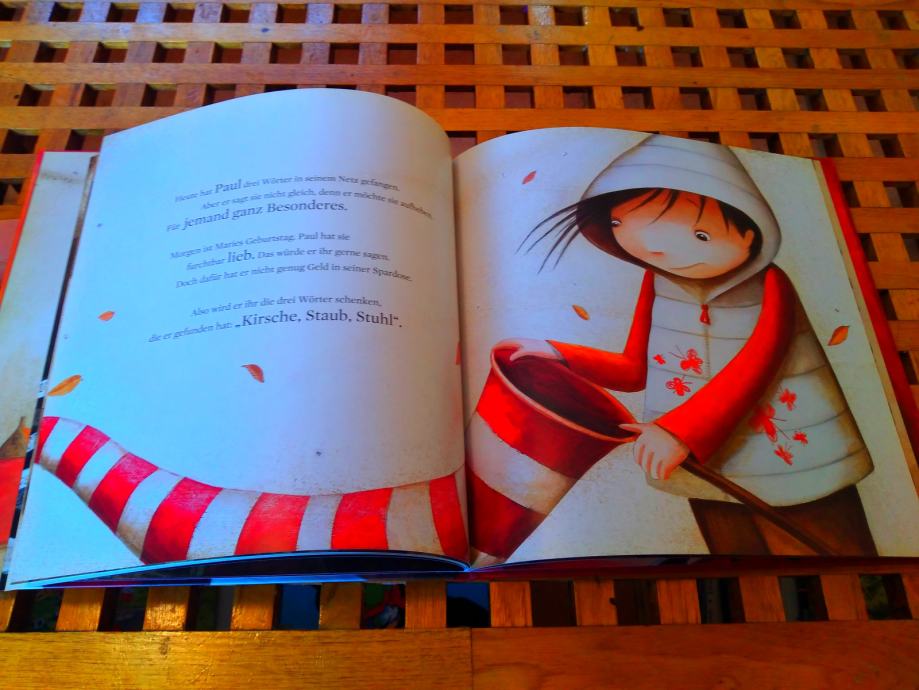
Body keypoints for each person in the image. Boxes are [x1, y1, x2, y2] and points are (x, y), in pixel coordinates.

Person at [500, 135, 876, 556]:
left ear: (751, 233)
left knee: (831, 555)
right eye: (622, 226)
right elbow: (635, 368)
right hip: (700, 465)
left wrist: (679, 432)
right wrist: (560, 354)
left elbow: (755, 368)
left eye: (699, 235)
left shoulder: (770, 286)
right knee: (738, 563)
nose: (659, 253)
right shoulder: (659, 282)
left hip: (792, 461)